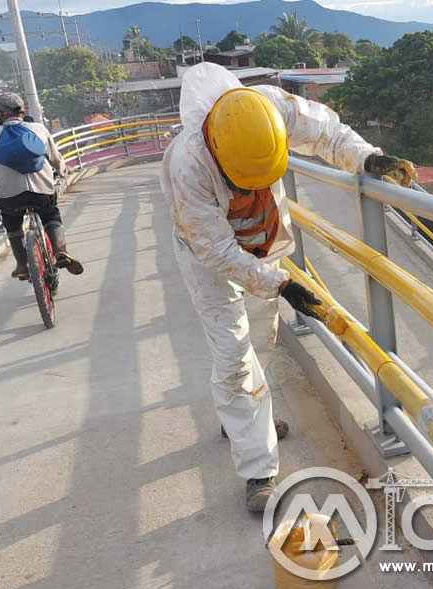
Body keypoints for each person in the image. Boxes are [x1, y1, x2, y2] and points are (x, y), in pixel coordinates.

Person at [160, 63, 417, 513]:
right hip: (209, 260)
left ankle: (239, 419)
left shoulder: (271, 109)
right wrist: (282, 285)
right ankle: (258, 469)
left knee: (262, 337)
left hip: (265, 239)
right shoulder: (187, 164)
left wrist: (366, 158)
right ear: (219, 154)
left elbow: (325, 133)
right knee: (234, 355)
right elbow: (217, 252)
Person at [0, 93, 83, 280]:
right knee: (50, 214)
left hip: (9, 197)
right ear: (22, 111)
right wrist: (63, 171)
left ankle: (22, 265)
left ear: (0, 113)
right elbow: (55, 159)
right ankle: (60, 250)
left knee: (11, 221)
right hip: (41, 192)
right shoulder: (38, 129)